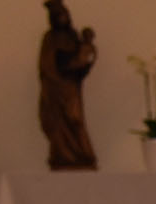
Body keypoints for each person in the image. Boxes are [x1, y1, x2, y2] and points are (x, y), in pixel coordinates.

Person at [38, 0, 98, 170]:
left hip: (70, 88)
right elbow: (48, 63)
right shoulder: (49, 38)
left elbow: (82, 59)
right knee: (59, 125)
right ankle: (62, 155)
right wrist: (67, 65)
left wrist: (84, 59)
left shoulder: (73, 36)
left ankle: (82, 155)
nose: (63, 19)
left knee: (75, 119)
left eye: (65, 15)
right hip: (55, 90)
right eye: (59, 16)